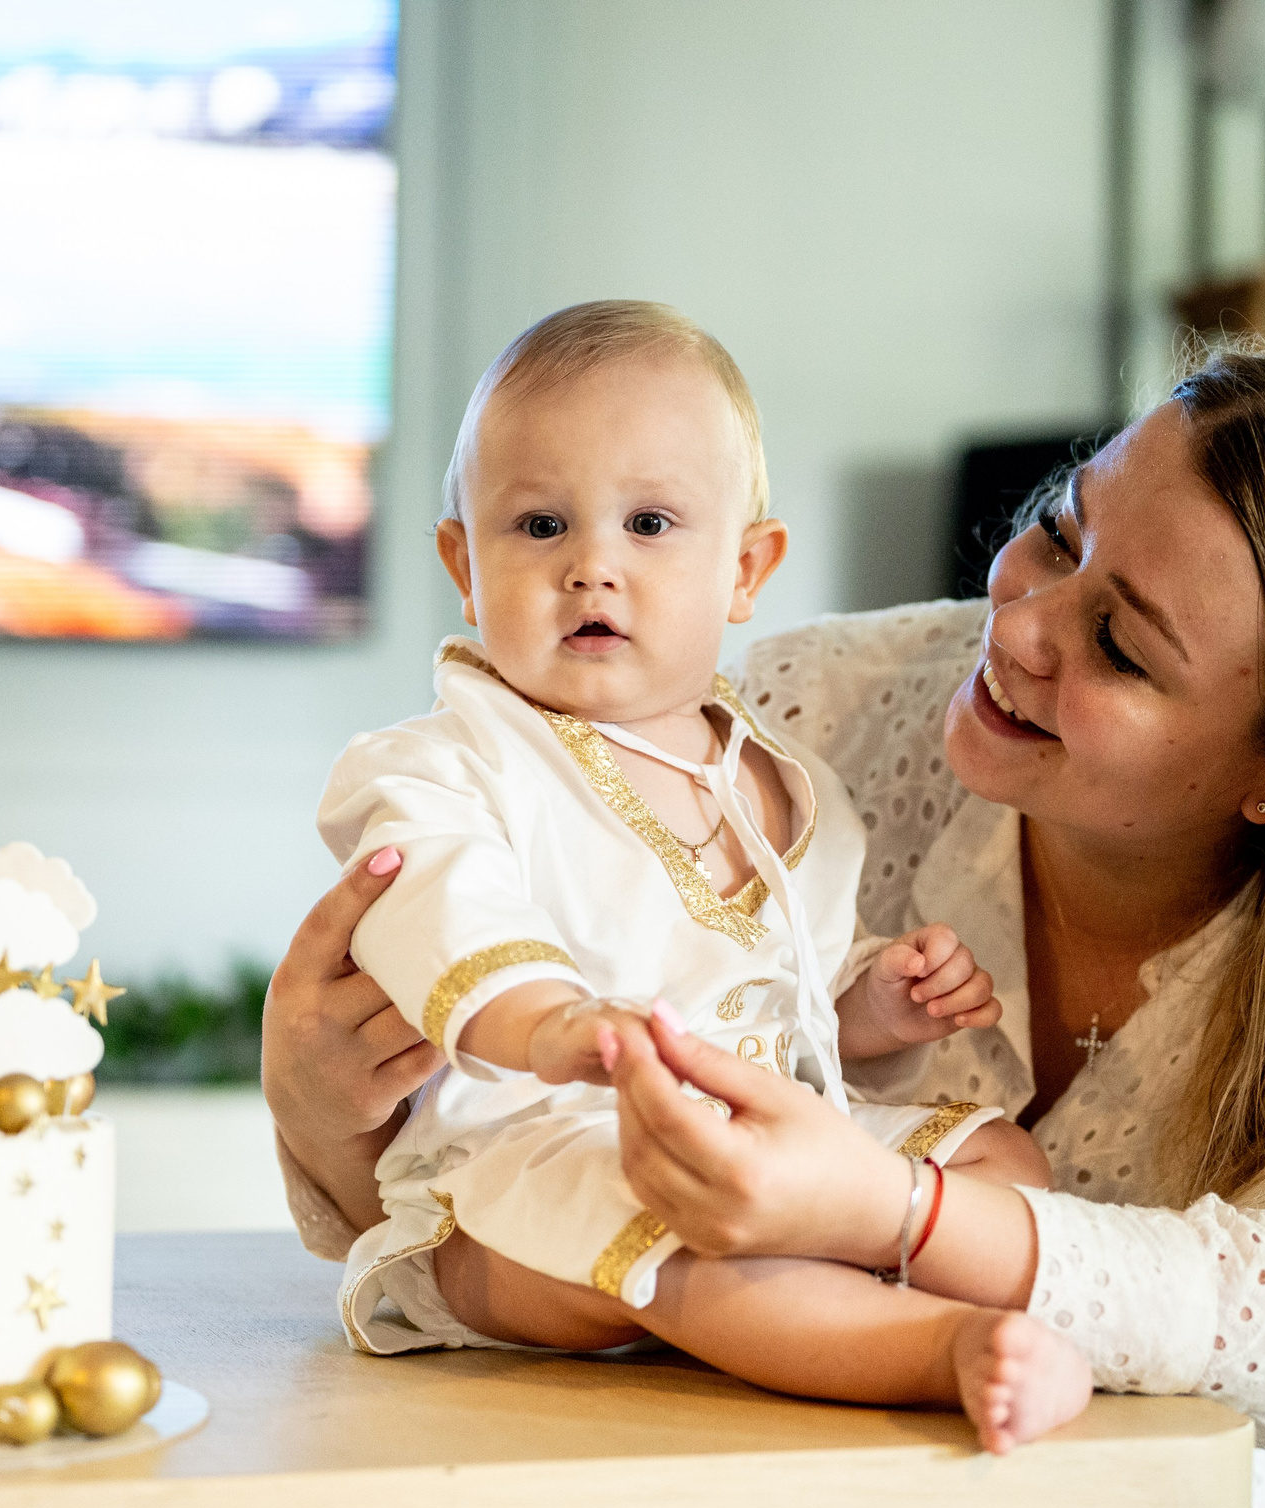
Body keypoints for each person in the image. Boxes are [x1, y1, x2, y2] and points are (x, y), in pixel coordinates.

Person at [267, 345, 1265, 1508]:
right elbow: (523, 1170)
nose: (1017, 626)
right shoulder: (779, 724)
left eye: (1122, 646)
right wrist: (328, 1109)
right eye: (1058, 529)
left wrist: (894, 1213)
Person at [319, 299, 1083, 1444]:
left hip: (754, 1142)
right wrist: (547, 1026)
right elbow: (437, 906)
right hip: (516, 1179)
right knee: (686, 1232)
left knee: (991, 1151)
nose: (591, 567)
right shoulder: (440, 760)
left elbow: (796, 993)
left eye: (648, 522)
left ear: (745, 567)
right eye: (536, 525)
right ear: (461, 565)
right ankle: (935, 1347)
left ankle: (919, 1296)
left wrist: (872, 1000)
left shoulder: (783, 785)